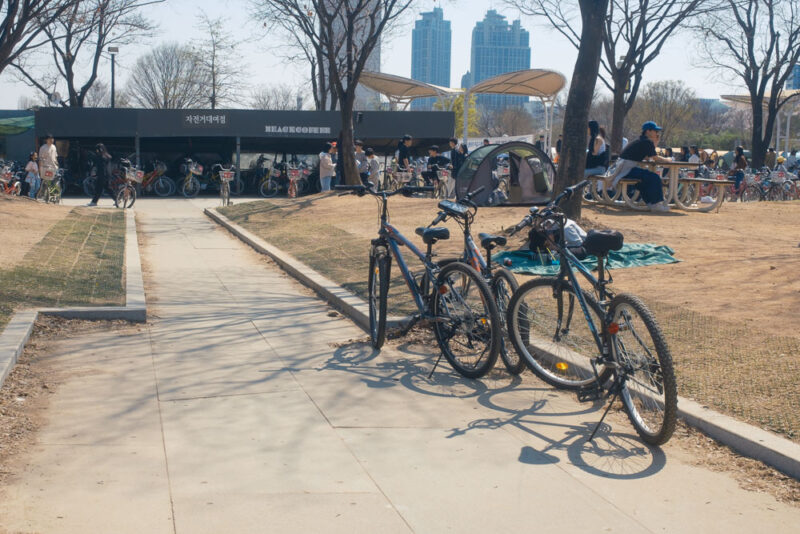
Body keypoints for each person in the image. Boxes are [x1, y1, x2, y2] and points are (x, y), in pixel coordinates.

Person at [607, 121, 672, 212]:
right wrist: (668, 160)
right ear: (648, 131)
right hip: (626, 169)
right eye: (655, 131)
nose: (657, 133)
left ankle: (650, 203)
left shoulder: (641, 140)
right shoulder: (647, 142)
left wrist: (655, 143)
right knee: (655, 178)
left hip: (622, 168)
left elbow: (647, 156)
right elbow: (654, 158)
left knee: (644, 180)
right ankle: (656, 204)